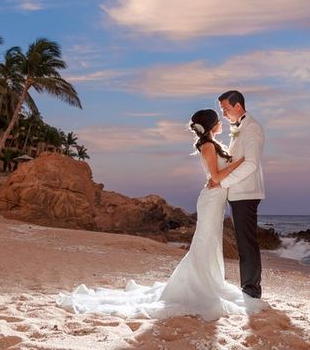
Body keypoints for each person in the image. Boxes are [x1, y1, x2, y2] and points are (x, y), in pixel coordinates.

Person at [57, 109, 265, 321]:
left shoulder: (213, 145)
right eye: (218, 120)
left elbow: (218, 176)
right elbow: (217, 176)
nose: (221, 122)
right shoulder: (208, 146)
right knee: (205, 242)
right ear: (211, 125)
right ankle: (199, 286)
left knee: (210, 243)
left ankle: (210, 282)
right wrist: (240, 162)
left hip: (216, 200)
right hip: (211, 201)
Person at [212, 90, 265, 299]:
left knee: (246, 243)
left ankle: (252, 290)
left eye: (225, 109)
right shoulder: (240, 127)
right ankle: (248, 287)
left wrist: (222, 182)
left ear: (237, 106)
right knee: (244, 242)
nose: (223, 114)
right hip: (238, 193)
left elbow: (251, 164)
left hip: (246, 193)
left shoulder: (251, 128)